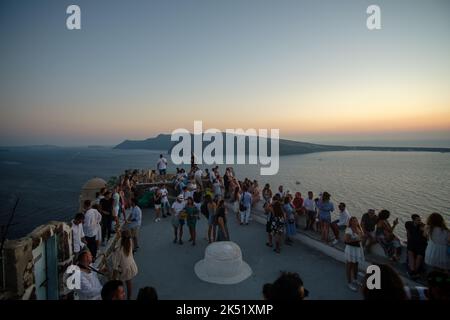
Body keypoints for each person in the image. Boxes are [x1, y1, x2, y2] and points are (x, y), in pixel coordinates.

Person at [112, 230, 138, 300]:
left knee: (119, 284)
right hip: (130, 265)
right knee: (129, 282)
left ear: (121, 237)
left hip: (123, 269)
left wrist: (113, 278)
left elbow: (115, 266)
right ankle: (129, 297)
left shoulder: (118, 250)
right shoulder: (130, 241)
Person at [344, 217, 365, 291]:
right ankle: (349, 283)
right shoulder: (349, 230)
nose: (355, 222)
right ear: (350, 222)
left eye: (356, 221)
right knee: (349, 267)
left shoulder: (358, 228)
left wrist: (361, 237)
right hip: (351, 250)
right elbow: (346, 240)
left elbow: (362, 236)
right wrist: (356, 239)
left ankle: (355, 279)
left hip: (357, 249)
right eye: (353, 221)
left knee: (356, 265)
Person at [405, 214, 427, 278]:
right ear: (413, 220)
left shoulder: (422, 226)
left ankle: (413, 272)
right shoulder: (408, 224)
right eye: (418, 220)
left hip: (420, 244)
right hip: (414, 243)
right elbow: (408, 233)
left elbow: (425, 236)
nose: (419, 221)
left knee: (418, 256)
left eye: (420, 220)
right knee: (411, 253)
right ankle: (413, 271)